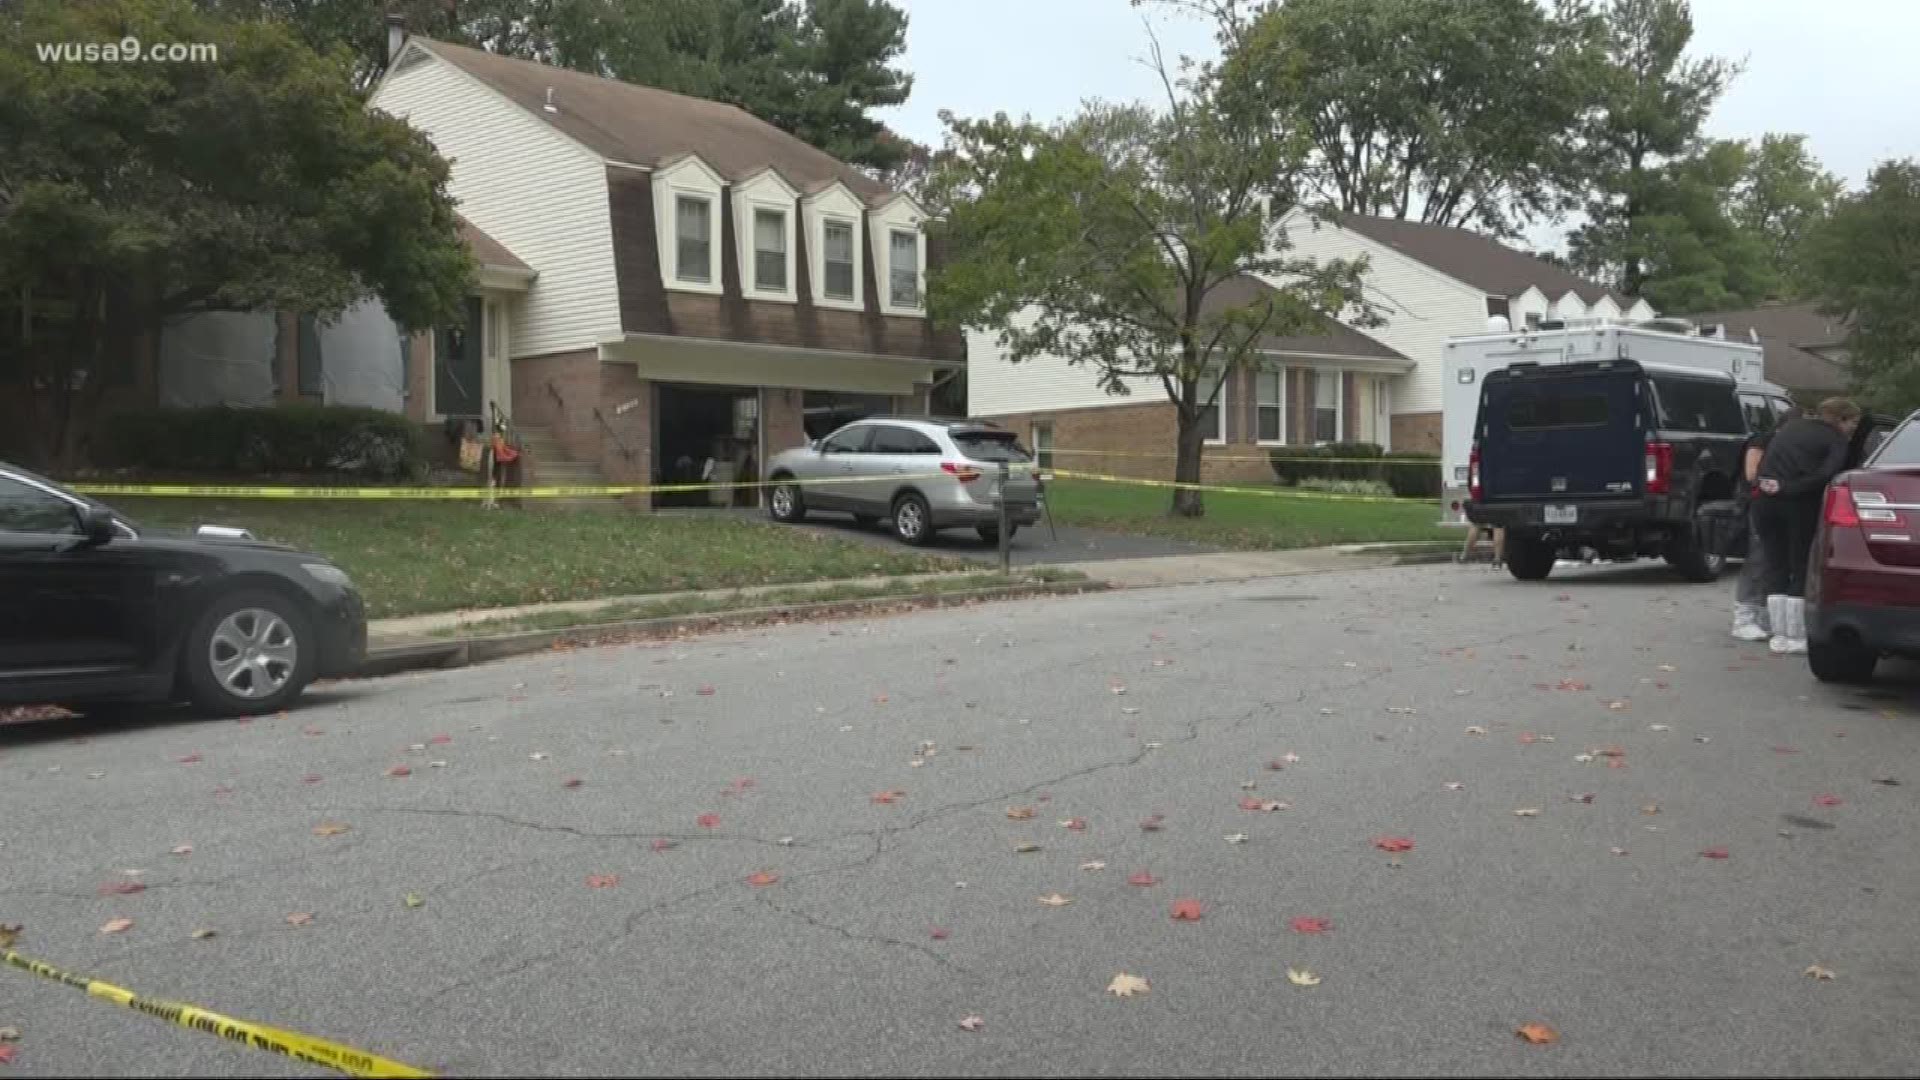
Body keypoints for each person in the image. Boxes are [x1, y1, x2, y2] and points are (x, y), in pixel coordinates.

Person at [1751, 398, 1862, 654]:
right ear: (1841, 419)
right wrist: (1791, 488)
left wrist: (1771, 486)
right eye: (1853, 422)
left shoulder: (1791, 428)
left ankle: (1778, 636)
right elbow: (1828, 474)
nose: (1853, 429)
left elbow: (1765, 465)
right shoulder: (1835, 440)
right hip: (1800, 504)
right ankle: (1797, 637)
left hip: (1765, 503)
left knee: (1774, 563)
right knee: (1801, 564)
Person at [1729, 416, 1783, 640]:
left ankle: (1762, 613)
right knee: (1758, 558)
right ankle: (1745, 615)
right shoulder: (1762, 441)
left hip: (1776, 505)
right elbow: (1752, 474)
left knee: (1772, 560)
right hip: (1757, 504)